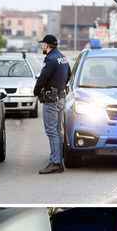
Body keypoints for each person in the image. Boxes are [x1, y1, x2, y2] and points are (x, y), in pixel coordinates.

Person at [33, 34, 71, 175]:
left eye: (43, 44)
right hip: (61, 97)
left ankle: (55, 163)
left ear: (47, 45)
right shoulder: (62, 57)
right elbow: (69, 75)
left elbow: (43, 78)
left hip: (51, 100)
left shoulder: (50, 59)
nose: (42, 46)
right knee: (57, 130)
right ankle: (58, 159)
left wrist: (36, 91)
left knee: (51, 131)